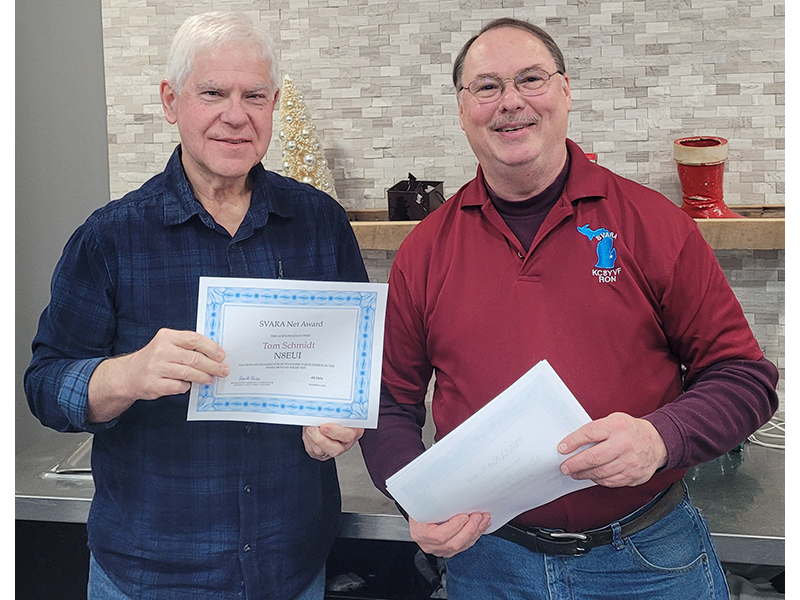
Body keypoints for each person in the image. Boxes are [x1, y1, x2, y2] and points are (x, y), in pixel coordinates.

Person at [359, 17, 778, 600]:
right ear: (462, 109)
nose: (510, 102)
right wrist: (413, 498)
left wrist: (660, 438)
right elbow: (387, 403)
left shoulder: (654, 225)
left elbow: (744, 377)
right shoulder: (425, 250)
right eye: (487, 86)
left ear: (565, 91)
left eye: (530, 79)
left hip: (647, 558)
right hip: (488, 562)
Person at [25, 11, 367, 600]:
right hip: (147, 575)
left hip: (291, 568)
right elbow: (45, 386)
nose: (236, 115)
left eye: (254, 95)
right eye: (213, 93)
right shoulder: (110, 237)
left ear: (273, 104)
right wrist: (127, 374)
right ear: (171, 101)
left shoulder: (320, 223)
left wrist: (346, 418)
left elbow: (358, 366)